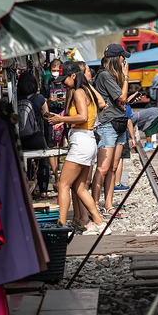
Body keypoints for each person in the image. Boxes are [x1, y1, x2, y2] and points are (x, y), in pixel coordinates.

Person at [47, 61, 111, 235]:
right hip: (88, 141)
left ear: (73, 75)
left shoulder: (78, 92)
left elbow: (82, 116)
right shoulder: (87, 90)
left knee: (62, 184)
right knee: (79, 187)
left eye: (64, 79)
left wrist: (61, 119)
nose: (62, 83)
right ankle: (99, 223)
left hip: (81, 142)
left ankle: (62, 226)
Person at [92, 44, 131, 217]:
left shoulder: (112, 76)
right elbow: (122, 97)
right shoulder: (104, 75)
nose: (124, 60)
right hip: (108, 124)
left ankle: (108, 205)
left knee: (113, 168)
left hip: (119, 122)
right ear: (116, 59)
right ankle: (94, 204)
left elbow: (121, 100)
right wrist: (126, 76)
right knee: (103, 168)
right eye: (123, 57)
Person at [17, 72, 51, 198]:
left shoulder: (16, 98)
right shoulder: (39, 98)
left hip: (20, 138)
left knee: (22, 161)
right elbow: (46, 116)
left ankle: (24, 189)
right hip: (35, 137)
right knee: (43, 160)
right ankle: (43, 190)